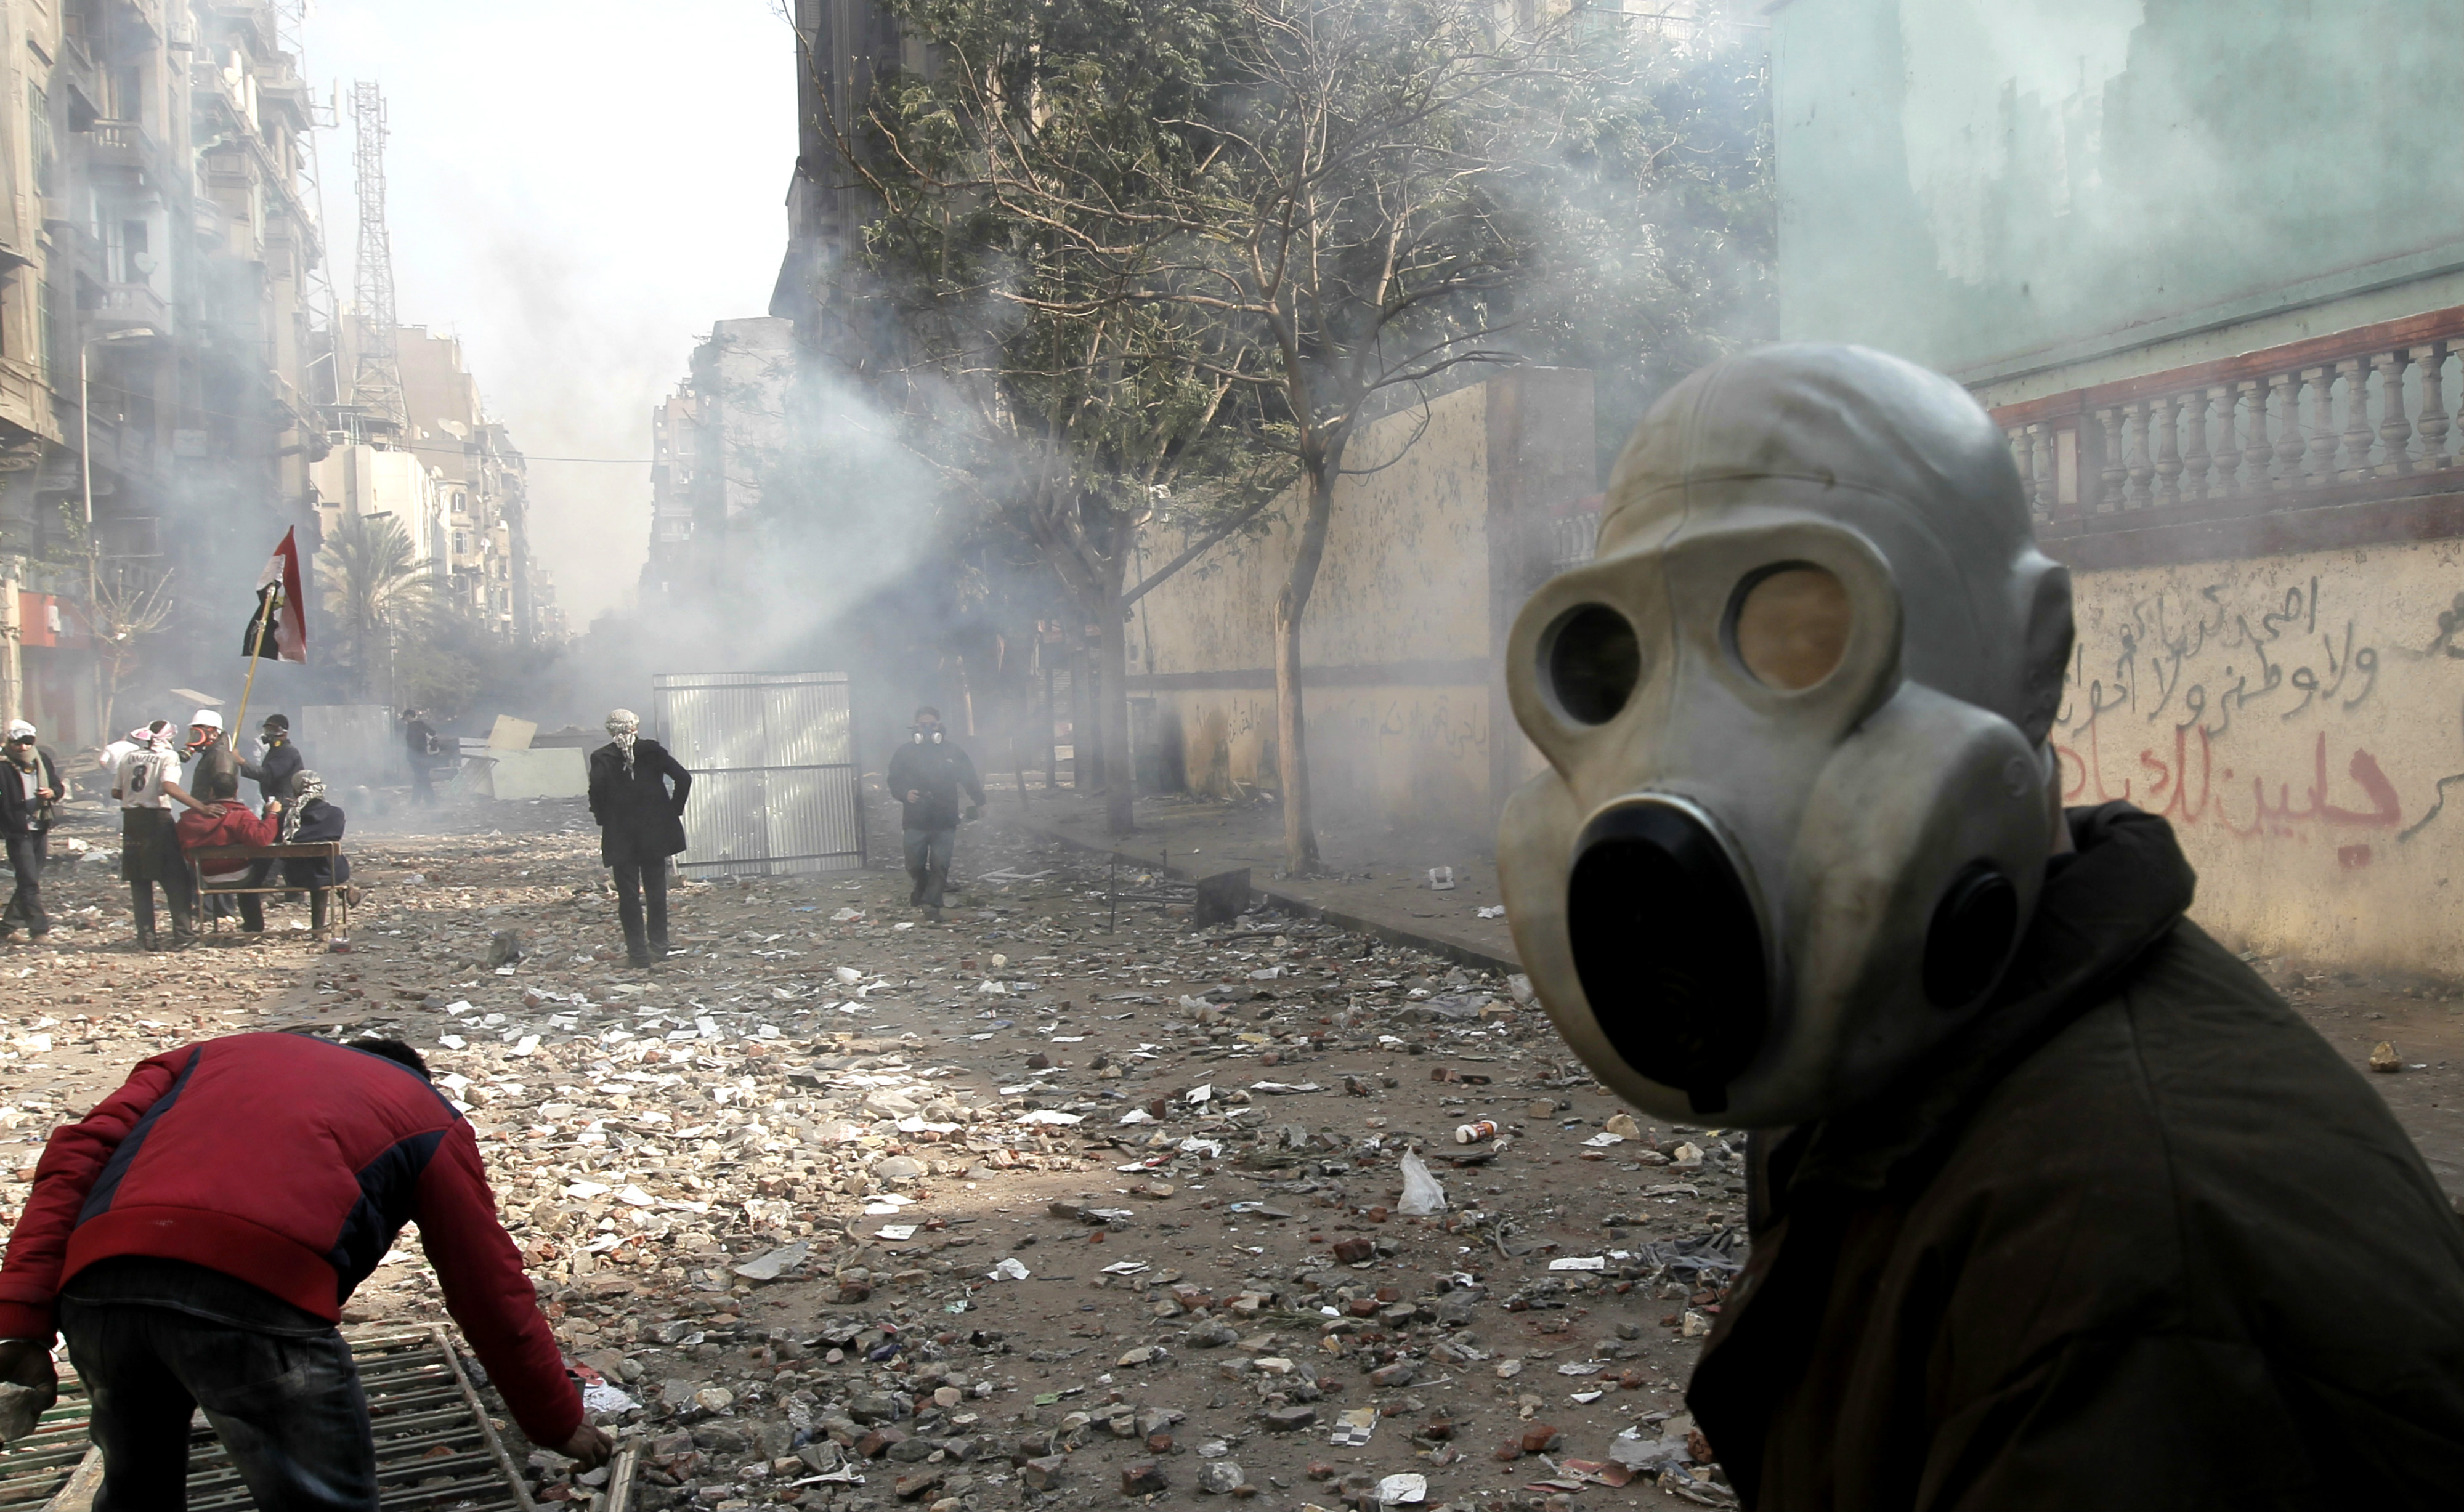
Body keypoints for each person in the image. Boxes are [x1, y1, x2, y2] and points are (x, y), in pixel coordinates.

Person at [1494, 344, 2464, 1508]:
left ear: (2033, 656)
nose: (1678, 759)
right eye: (1614, 666)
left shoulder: (2141, 1269)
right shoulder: (1912, 1072)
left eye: (1802, 634)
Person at [0, 1032, 613, 1503]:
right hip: (257, 1301)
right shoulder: (426, 1113)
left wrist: (24, 1320)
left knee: (137, 1489)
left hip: (100, 1285)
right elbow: (489, 1288)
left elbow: (75, 1158)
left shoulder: (198, 1058)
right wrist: (555, 1420)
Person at [586, 709, 691, 968]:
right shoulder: (652, 752)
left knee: (629, 896)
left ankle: (638, 956)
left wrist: (603, 818)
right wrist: (672, 811)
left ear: (611, 731)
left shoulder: (602, 757)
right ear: (635, 727)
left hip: (621, 836)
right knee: (656, 892)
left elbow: (596, 792)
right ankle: (659, 948)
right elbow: (684, 778)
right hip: (654, 833)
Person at [115, 721, 206, 951]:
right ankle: (184, 936)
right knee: (175, 879)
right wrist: (200, 807)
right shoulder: (168, 757)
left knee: (140, 881)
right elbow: (169, 786)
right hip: (157, 820)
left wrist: (137, 796)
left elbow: (117, 792)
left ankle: (146, 939)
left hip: (132, 821)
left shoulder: (128, 756)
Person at [886, 705, 982, 923]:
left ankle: (932, 905)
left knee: (940, 864)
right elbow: (893, 780)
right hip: (915, 818)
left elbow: (970, 777)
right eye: (923, 725)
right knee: (914, 864)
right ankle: (921, 888)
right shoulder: (904, 752)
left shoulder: (953, 752)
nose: (928, 729)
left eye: (932, 725)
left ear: (940, 726)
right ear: (916, 727)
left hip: (945, 817)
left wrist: (980, 800)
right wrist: (904, 794)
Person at [176, 770, 278, 935]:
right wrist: (272, 815)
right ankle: (254, 924)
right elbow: (261, 839)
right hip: (241, 876)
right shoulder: (241, 814)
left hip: (206, 877)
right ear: (236, 793)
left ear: (211, 792)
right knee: (265, 859)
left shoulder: (191, 818)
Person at [1, 721, 61, 944]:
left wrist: (51, 792)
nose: (23, 748)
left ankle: (6, 928)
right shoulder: (3, 764)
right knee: (28, 880)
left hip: (40, 825)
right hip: (17, 829)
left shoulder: (41, 759)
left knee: (31, 879)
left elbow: (57, 785)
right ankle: (39, 931)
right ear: (10, 742)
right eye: (18, 743)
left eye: (28, 742)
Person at [276, 769, 354, 937]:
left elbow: (278, 838)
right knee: (323, 866)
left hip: (297, 875)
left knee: (314, 868)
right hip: (332, 873)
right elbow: (333, 835)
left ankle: (320, 927)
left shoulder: (286, 817)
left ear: (296, 791)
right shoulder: (336, 814)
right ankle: (344, 892)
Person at [240, 713, 304, 805]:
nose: (270, 734)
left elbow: (267, 774)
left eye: (274, 730)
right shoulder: (275, 751)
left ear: (284, 732)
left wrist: (242, 762)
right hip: (273, 803)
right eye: (267, 730)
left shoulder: (288, 752)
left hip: (285, 805)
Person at [401, 708, 440, 804]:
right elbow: (433, 733)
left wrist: (412, 757)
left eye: (406, 718)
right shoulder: (422, 725)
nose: (405, 721)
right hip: (426, 757)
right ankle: (415, 802)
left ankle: (431, 803)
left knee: (423, 779)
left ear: (409, 717)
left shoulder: (413, 727)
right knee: (419, 779)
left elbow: (413, 745)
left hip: (418, 758)